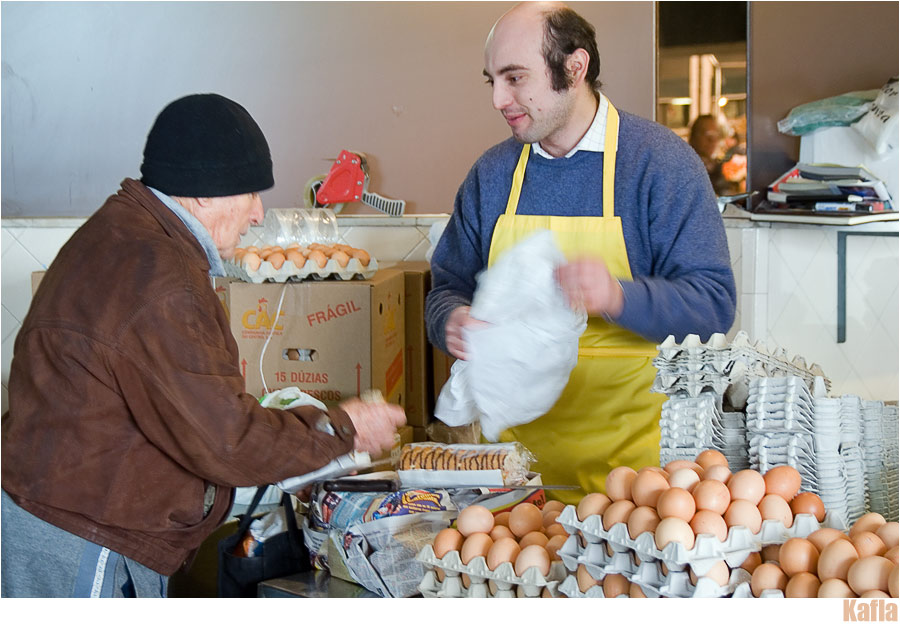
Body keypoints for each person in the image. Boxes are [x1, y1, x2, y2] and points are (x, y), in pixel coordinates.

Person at [1, 93, 406, 597]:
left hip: (53, 515)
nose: (258, 214)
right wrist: (344, 429)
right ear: (204, 194)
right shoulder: (162, 279)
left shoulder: (122, 231)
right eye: (250, 193)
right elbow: (226, 442)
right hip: (84, 538)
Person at [425, 2, 736, 503]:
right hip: (512, 485)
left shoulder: (659, 163)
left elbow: (714, 306)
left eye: (515, 77)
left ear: (575, 66)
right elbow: (447, 287)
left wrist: (617, 296)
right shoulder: (492, 175)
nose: (499, 99)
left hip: (636, 487)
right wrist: (451, 320)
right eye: (493, 81)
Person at [688, 114, 730, 195]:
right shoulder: (686, 168)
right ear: (693, 136)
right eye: (707, 134)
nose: (712, 140)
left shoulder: (716, 166)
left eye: (715, 134)